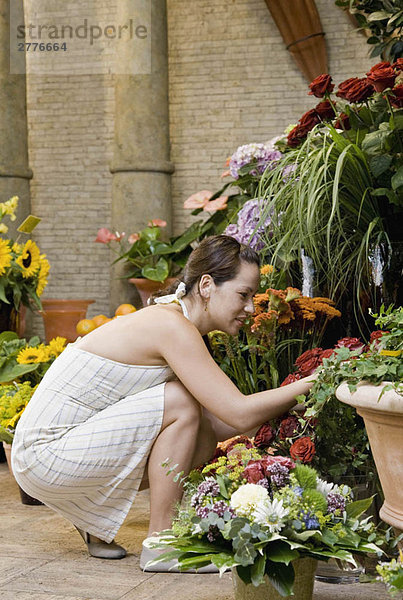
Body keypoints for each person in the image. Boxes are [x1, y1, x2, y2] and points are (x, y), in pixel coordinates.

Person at [11, 235, 316, 571]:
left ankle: (91, 517)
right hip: (44, 454)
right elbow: (238, 413)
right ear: (206, 285)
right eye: (244, 295)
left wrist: (295, 404)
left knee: (199, 430)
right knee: (183, 403)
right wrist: (308, 383)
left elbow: (217, 423)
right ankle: (163, 545)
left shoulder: (176, 321)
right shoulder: (171, 326)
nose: (250, 308)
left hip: (51, 455)